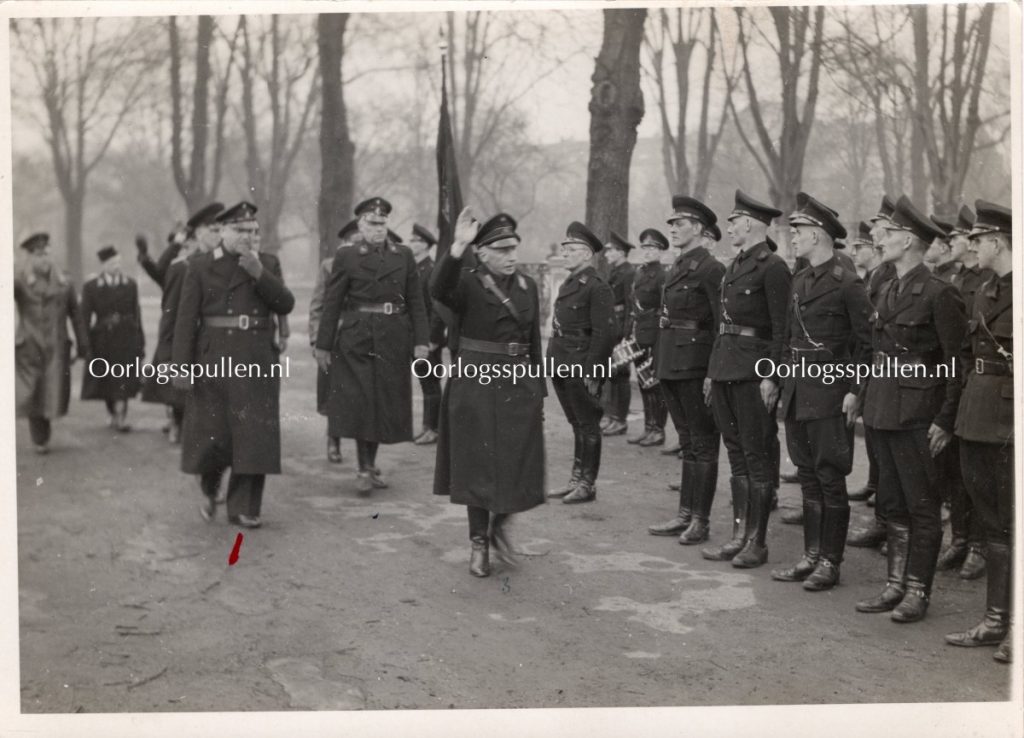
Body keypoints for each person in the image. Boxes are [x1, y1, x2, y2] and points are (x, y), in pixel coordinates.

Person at [854, 195, 966, 623]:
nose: (881, 241)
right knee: (892, 505)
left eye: (891, 235)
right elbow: (876, 351)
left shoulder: (941, 293)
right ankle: (895, 584)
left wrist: (945, 419)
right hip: (883, 406)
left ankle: (918, 590)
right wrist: (863, 398)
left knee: (922, 505)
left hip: (920, 412)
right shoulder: (885, 287)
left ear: (911, 241)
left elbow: (957, 362)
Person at [431, 208, 546, 577]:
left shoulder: (528, 287)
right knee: (477, 468)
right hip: (476, 383)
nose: (512, 255)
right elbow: (436, 288)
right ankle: (478, 542)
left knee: (519, 462)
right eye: (502, 249)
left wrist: (538, 391)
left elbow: (532, 343)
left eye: (514, 248)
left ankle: (500, 526)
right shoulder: (466, 282)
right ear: (482, 253)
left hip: (517, 384)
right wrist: (457, 245)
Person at [769, 193, 873, 591]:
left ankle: (831, 561)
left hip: (831, 393)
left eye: (798, 233)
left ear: (816, 235)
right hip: (798, 391)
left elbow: (865, 344)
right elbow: (790, 337)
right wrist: (778, 380)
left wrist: (855, 391)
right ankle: (811, 555)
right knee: (809, 478)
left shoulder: (847, 283)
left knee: (830, 479)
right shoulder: (800, 279)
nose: (793, 239)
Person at [172, 201, 295, 528]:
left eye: (253, 231)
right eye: (241, 230)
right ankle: (210, 487)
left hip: (257, 357)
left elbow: (285, 302)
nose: (249, 236)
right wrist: (180, 366)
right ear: (222, 231)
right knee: (214, 434)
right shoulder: (198, 266)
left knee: (254, 434)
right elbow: (185, 321)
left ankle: (243, 507)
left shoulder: (267, 263)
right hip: (214, 357)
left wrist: (259, 274)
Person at [313, 198, 429, 494]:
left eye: (383, 223)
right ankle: (364, 467)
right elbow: (332, 303)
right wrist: (323, 346)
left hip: (393, 337)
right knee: (363, 401)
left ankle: (370, 463)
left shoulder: (402, 255)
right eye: (372, 224)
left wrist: (421, 343)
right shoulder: (347, 256)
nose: (378, 229)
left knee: (383, 402)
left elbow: (416, 302)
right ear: (361, 226)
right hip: (357, 337)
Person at [701, 190, 791, 569]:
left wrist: (772, 378)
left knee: (755, 456)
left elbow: (781, 330)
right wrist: (711, 372)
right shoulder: (735, 265)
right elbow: (723, 327)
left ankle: (757, 541)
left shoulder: (773, 267)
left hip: (754, 373)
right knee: (736, 455)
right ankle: (739, 534)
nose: (729, 228)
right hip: (726, 368)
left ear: (752, 224)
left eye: (734, 222)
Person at [945, 200, 1013, 663]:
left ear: (996, 243)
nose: (970, 246)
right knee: (993, 524)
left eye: (977, 240)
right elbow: (969, 356)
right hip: (977, 415)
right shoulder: (984, 289)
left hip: (1010, 421)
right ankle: (995, 621)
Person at [648, 197, 725, 544]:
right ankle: (684, 514)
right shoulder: (677, 266)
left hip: (695, 366)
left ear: (698, 229)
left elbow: (720, 324)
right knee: (687, 443)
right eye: (672, 224)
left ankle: (701, 520)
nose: (674, 229)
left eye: (680, 224)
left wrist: (712, 372)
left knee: (703, 443)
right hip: (671, 362)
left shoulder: (710, 269)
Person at [927, 209, 989, 579]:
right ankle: (961, 539)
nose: (951, 242)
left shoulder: (987, 279)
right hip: (959, 379)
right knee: (955, 470)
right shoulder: (956, 277)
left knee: (977, 475)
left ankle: (979, 546)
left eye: (958, 237)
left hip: (980, 383)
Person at [141, 204, 222, 444]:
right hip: (185, 337)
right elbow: (171, 314)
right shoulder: (181, 268)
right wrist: (167, 355)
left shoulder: (222, 265)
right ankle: (177, 422)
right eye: (212, 230)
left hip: (211, 342)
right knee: (179, 391)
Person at [547, 221, 615, 504]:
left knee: (588, 424)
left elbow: (605, 332)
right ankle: (576, 478)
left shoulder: (596, 287)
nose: (566, 253)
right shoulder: (570, 282)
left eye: (572, 249)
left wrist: (593, 371)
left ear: (587, 254)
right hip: (562, 359)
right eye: (565, 248)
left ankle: (588, 483)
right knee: (576, 422)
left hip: (581, 364)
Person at [847, 197, 899, 531]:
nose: (877, 234)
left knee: (887, 444)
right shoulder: (881, 270)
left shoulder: (891, 269)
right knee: (876, 436)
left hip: (890, 365)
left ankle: (885, 516)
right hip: (872, 361)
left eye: (880, 228)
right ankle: (880, 501)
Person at [14, 233, 90, 454]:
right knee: (34, 391)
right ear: (30, 256)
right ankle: (40, 438)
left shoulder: (64, 282)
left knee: (53, 390)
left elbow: (76, 315)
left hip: (57, 346)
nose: (43, 257)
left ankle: (43, 432)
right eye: (37, 253)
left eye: (45, 252)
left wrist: (83, 345)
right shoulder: (19, 279)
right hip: (29, 345)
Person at [80, 245, 145, 431]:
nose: (116, 267)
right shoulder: (91, 287)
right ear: (103, 265)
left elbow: (136, 314)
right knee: (107, 381)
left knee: (123, 380)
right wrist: (85, 343)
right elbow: (84, 317)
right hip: (102, 341)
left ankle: (121, 416)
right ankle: (112, 412)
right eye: (111, 263)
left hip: (126, 339)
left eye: (118, 262)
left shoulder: (130, 285)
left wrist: (140, 341)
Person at [309, 218, 359, 463]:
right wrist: (316, 340)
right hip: (335, 335)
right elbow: (318, 306)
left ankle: (365, 458)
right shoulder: (329, 266)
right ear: (345, 242)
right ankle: (333, 440)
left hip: (360, 335)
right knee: (334, 390)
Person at [627, 228, 669, 447]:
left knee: (654, 384)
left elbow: (664, 308)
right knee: (644, 384)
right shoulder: (640, 273)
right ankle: (648, 427)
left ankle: (658, 429)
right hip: (639, 332)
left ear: (660, 251)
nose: (647, 251)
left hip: (653, 334)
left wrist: (659, 340)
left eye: (652, 247)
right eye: (644, 247)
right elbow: (633, 304)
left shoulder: (662, 275)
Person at [409, 223, 447, 446]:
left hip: (428, 339)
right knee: (425, 383)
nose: (412, 244)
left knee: (431, 383)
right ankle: (428, 426)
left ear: (425, 245)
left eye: (416, 241)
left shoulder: (430, 270)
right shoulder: (415, 268)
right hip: (417, 337)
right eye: (412, 240)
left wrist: (432, 339)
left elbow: (436, 309)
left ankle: (434, 428)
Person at [600, 232, 636, 437]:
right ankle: (613, 417)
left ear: (621, 252)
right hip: (611, 327)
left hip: (620, 330)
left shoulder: (629, 272)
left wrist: (624, 334)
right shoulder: (616, 271)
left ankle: (620, 420)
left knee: (621, 375)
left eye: (610, 250)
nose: (606, 255)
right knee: (613, 375)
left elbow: (630, 305)